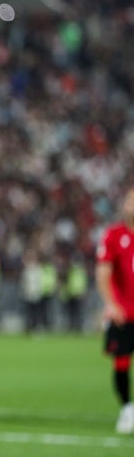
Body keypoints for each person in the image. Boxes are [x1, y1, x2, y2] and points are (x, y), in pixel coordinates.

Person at [96, 186, 134, 434]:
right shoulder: (114, 235)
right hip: (125, 314)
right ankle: (127, 409)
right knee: (121, 362)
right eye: (129, 198)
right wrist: (111, 304)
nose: (130, 202)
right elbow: (103, 273)